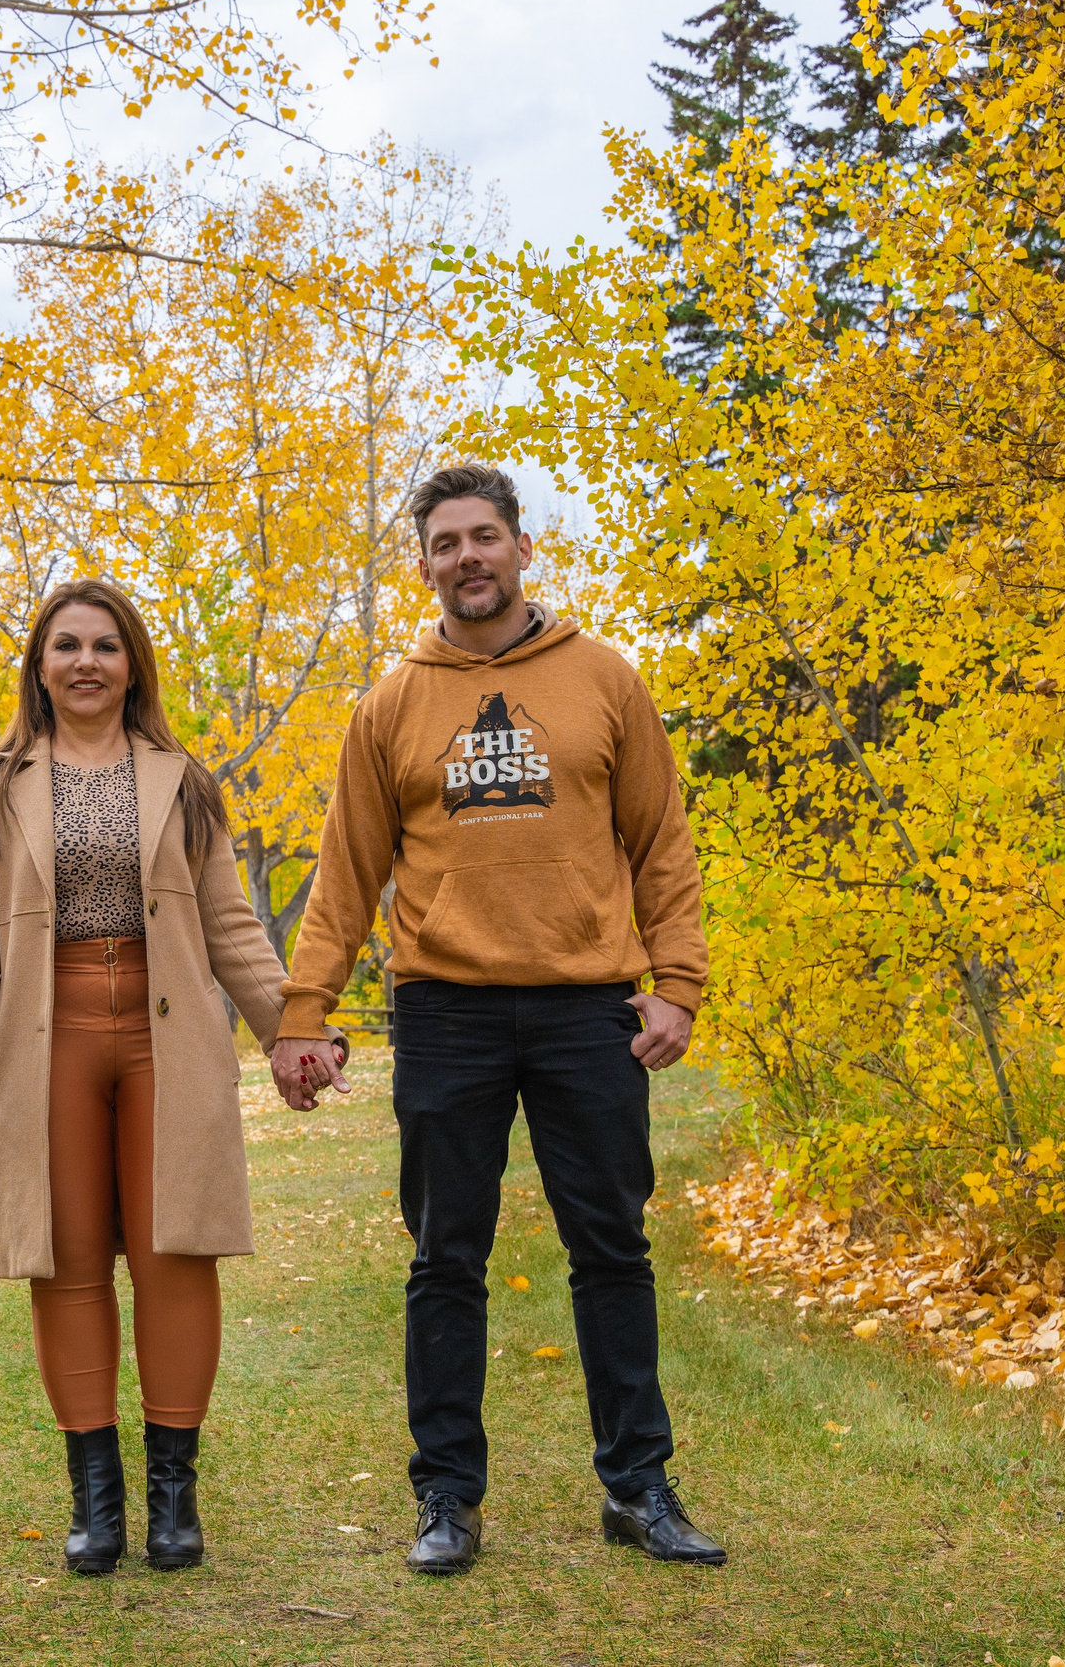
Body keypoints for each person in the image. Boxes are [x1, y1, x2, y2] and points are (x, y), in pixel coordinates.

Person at [269, 463, 724, 1574]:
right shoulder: (389, 705)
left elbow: (661, 842)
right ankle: (446, 1500)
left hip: (586, 1008)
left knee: (611, 1249)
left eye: (485, 537)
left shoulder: (604, 680)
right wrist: (302, 1008)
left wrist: (677, 983)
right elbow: (345, 870)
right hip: (445, 1014)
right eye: (444, 543)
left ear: (522, 548)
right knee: (443, 1258)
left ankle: (638, 1486)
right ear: (422, 565)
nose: (466, 557)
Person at [0, 579, 346, 1576]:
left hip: (164, 1037)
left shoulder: (182, 779)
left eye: (105, 645)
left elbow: (231, 922)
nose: (86, 662)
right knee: (63, 1258)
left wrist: (292, 1029)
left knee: (175, 1250)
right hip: (45, 1040)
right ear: (39, 666)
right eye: (66, 646)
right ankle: (96, 1503)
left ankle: (173, 1499)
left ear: (131, 662)